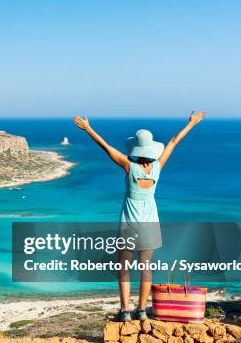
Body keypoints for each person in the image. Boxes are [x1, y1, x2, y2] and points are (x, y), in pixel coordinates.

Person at [74, 111, 205, 321]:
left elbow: (105, 147)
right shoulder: (158, 167)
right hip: (150, 222)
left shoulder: (128, 166)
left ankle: (125, 310)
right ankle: (142, 310)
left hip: (129, 223)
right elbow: (174, 141)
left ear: (135, 147)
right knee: (146, 270)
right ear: (151, 148)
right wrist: (191, 124)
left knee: (123, 269)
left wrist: (89, 129)